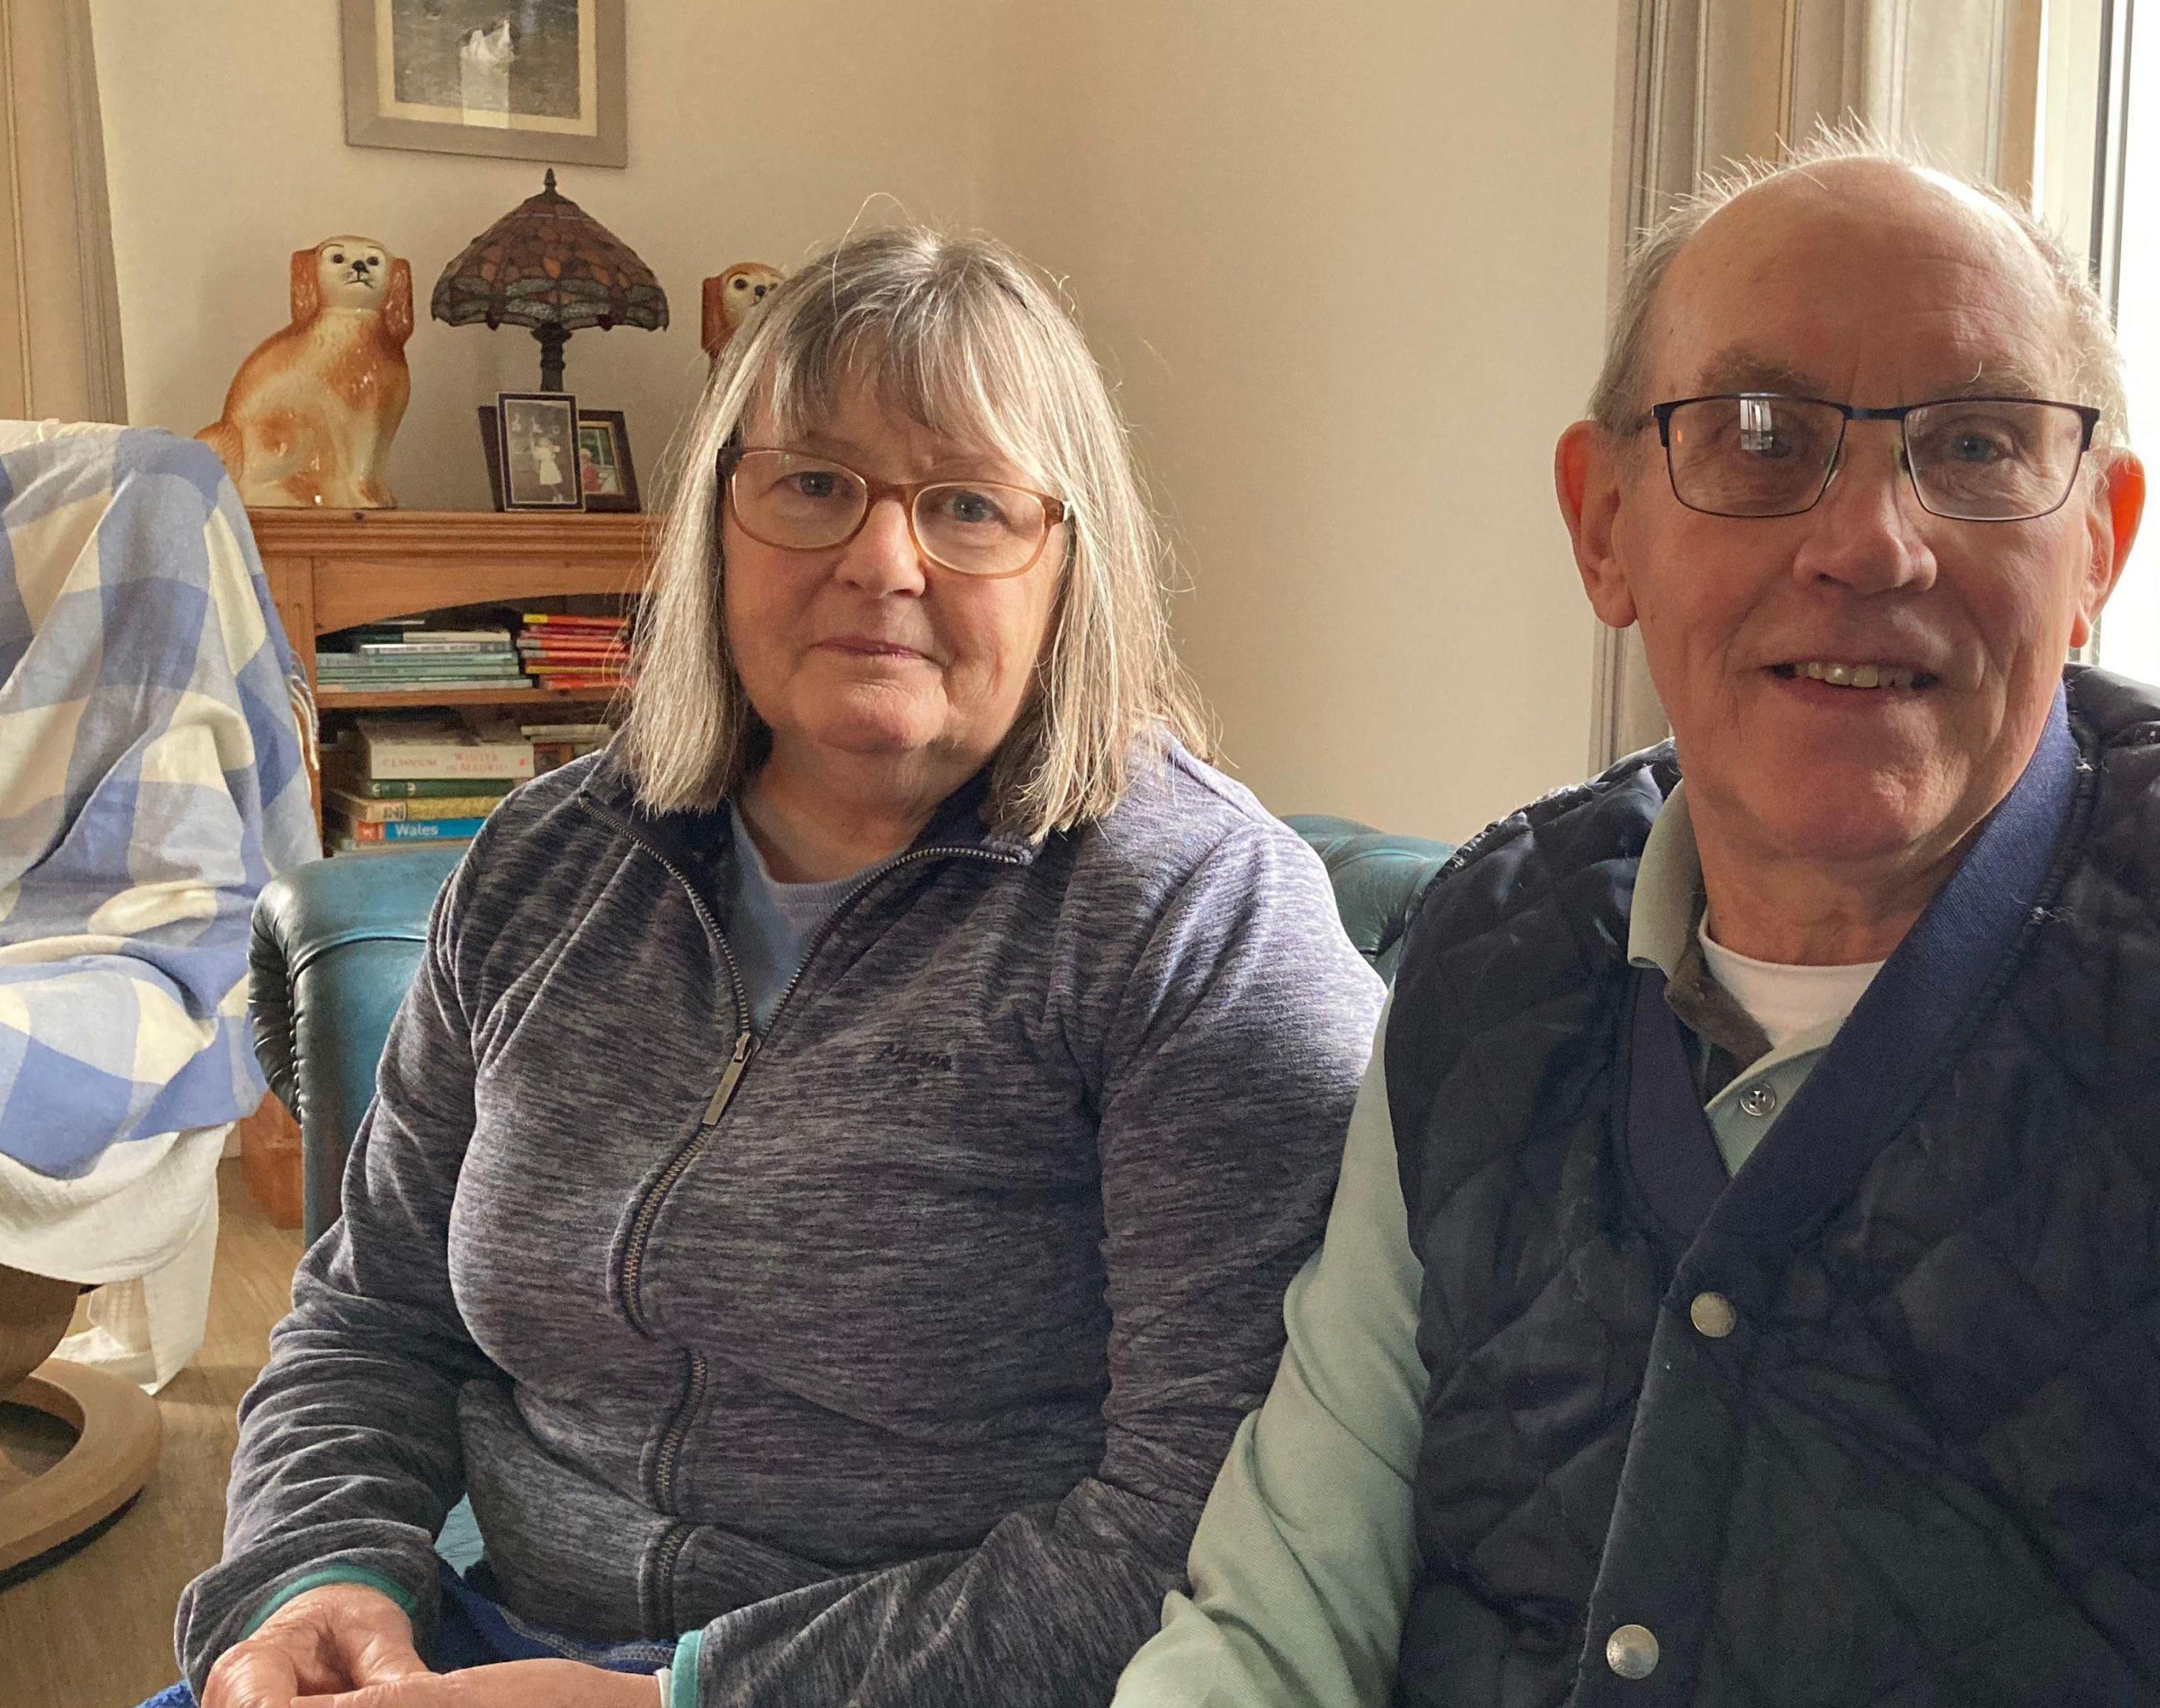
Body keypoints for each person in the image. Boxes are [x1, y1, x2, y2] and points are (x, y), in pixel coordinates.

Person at [1111, 132, 2160, 1708]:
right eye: (1759, 434)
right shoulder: (1485, 955)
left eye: (1977, 445)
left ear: (2098, 548)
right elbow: (1274, 1624)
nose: (1868, 540)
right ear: (1603, 524)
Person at [168, 229, 1386, 1708]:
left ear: (1071, 563)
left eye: (969, 505)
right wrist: (318, 1577)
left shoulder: (1203, 922)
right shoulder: (550, 860)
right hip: (486, 1649)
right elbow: (372, 1314)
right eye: (813, 484)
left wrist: (679, 1702)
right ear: (718, 525)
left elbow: (1201, 1541)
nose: (883, 559)